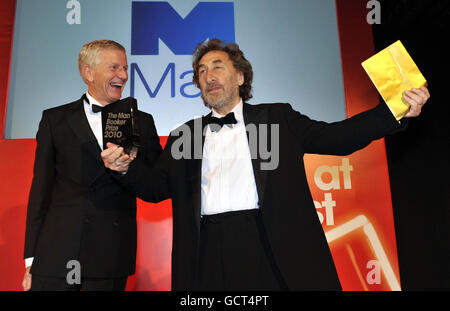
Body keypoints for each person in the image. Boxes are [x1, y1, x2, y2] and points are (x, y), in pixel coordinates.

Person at [102, 39, 430, 290]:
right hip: (207, 253)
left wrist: (393, 112)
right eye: (201, 71)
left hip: (271, 243)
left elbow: (337, 138)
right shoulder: (183, 135)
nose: (208, 76)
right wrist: (125, 167)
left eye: (217, 66)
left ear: (241, 76)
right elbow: (157, 188)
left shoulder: (277, 118)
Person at [22, 40, 162, 291]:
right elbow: (40, 192)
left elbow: (157, 188)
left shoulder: (142, 122)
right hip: (55, 257)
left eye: (125, 68)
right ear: (88, 72)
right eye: (114, 68)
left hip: (110, 257)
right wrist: (31, 259)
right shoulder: (54, 120)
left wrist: (126, 169)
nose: (123, 75)